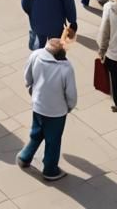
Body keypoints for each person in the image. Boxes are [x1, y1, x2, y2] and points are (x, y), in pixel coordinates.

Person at [16, 37, 77, 181]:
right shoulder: (65, 68)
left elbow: (27, 77)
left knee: (36, 133)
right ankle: (50, 170)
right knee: (53, 140)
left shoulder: (36, 55)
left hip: (38, 106)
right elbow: (71, 94)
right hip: (56, 112)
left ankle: (25, 157)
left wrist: (32, 90)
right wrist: (69, 107)